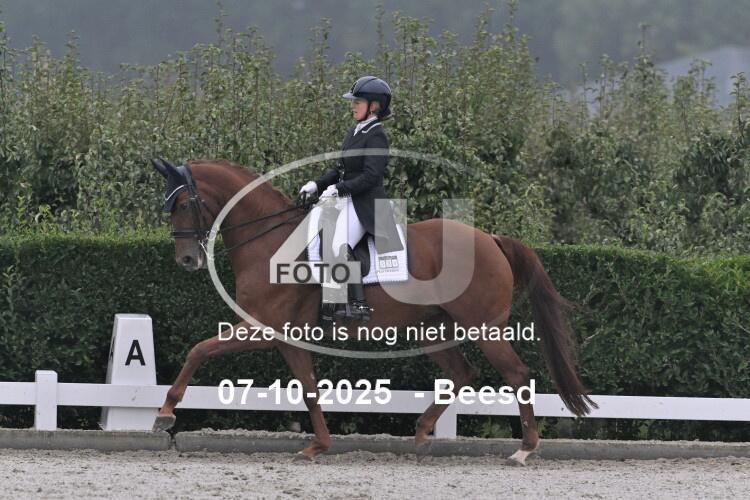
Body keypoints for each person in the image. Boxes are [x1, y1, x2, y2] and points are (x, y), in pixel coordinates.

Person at [299, 75, 403, 322]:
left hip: (367, 204)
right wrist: (317, 184)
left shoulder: (377, 135)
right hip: (349, 199)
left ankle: (358, 305)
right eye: (353, 102)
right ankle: (330, 302)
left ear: (374, 106)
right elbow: (341, 170)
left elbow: (371, 176)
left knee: (338, 244)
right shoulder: (355, 131)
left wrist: (339, 189)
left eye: (358, 102)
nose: (353, 106)